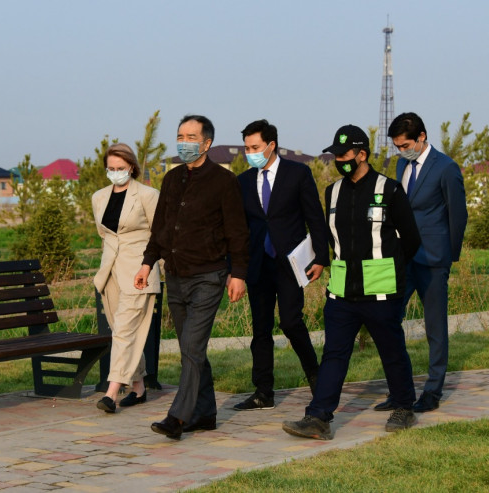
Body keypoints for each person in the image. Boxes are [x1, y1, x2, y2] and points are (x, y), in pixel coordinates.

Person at [283, 125, 421, 440]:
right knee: (333, 354)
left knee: (392, 351)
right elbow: (330, 239)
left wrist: (391, 270)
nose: (339, 161)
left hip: (381, 290)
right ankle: (318, 417)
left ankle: (403, 406)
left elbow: (411, 240)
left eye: (344, 155)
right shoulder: (332, 192)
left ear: (361, 154)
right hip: (342, 293)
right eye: (336, 155)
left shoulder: (390, 189)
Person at [134, 115, 249, 439]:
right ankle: (206, 413)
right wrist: (147, 263)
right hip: (176, 276)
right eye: (180, 136)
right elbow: (161, 227)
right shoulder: (172, 179)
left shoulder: (224, 182)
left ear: (206, 143)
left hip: (208, 276)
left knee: (192, 347)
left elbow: (238, 233)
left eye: (191, 137)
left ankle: (178, 417)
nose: (183, 143)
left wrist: (238, 274)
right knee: (191, 348)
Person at [374, 112, 468, 413]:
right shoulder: (402, 164)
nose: (402, 151)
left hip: (433, 259)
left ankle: (432, 392)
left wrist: (449, 257)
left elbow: (458, 215)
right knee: (389, 319)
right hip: (403, 258)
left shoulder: (446, 168)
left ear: (422, 137)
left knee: (435, 328)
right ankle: (400, 390)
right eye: (397, 147)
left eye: (405, 145)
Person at [234, 119, 329, 410]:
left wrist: (321, 258)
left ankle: (317, 378)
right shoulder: (244, 181)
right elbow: (239, 228)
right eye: (247, 148)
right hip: (258, 265)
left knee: (290, 322)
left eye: (255, 147)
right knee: (260, 330)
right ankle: (263, 392)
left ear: (271, 145)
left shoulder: (297, 173)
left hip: (290, 263)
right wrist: (236, 269)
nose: (250, 153)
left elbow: (314, 217)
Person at [92, 143, 160, 413]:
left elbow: (159, 235)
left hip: (139, 271)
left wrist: (149, 266)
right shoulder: (99, 197)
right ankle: (139, 387)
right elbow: (104, 234)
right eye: (110, 168)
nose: (115, 172)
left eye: (120, 168)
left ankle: (111, 393)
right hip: (109, 272)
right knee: (123, 332)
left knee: (123, 330)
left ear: (132, 167)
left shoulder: (148, 195)